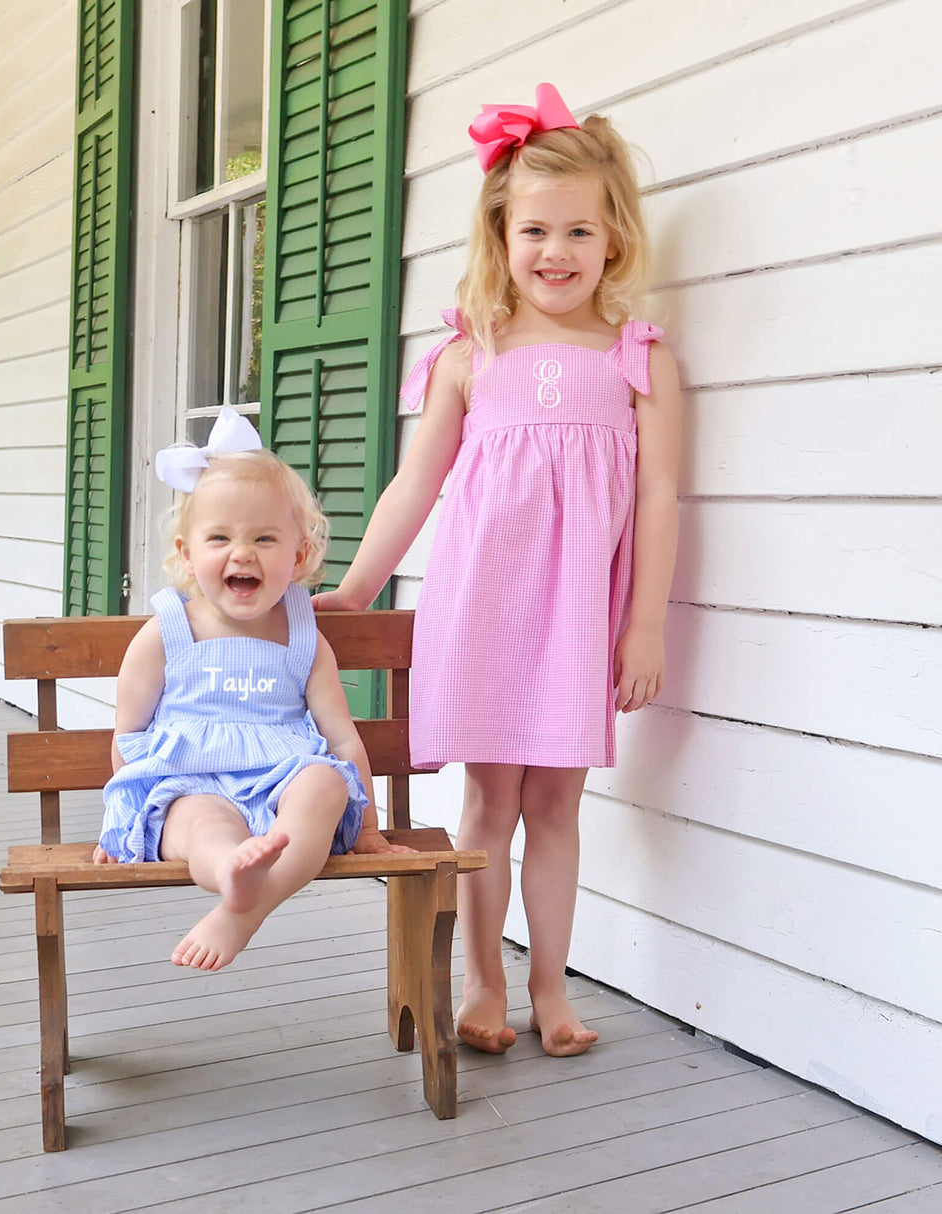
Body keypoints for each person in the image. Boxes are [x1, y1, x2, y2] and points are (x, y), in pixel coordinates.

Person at [314, 84, 681, 1055]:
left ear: (612, 240)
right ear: (499, 232)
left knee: (555, 803)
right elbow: (412, 484)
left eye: (576, 231)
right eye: (533, 230)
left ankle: (549, 989)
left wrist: (642, 625)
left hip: (574, 621)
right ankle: (481, 984)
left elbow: (657, 502)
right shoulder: (467, 356)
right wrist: (356, 587)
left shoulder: (638, 359)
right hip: (483, 611)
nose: (553, 252)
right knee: (490, 800)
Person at [95, 408, 411, 972]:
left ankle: (240, 913)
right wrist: (121, 828)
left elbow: (342, 741)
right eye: (220, 537)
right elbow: (128, 737)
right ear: (188, 553)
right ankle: (231, 874)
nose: (242, 553)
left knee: (322, 784)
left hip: (282, 787)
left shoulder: (304, 638)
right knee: (203, 823)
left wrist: (368, 829)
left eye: (264, 538)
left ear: (299, 556)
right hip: (192, 783)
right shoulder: (166, 632)